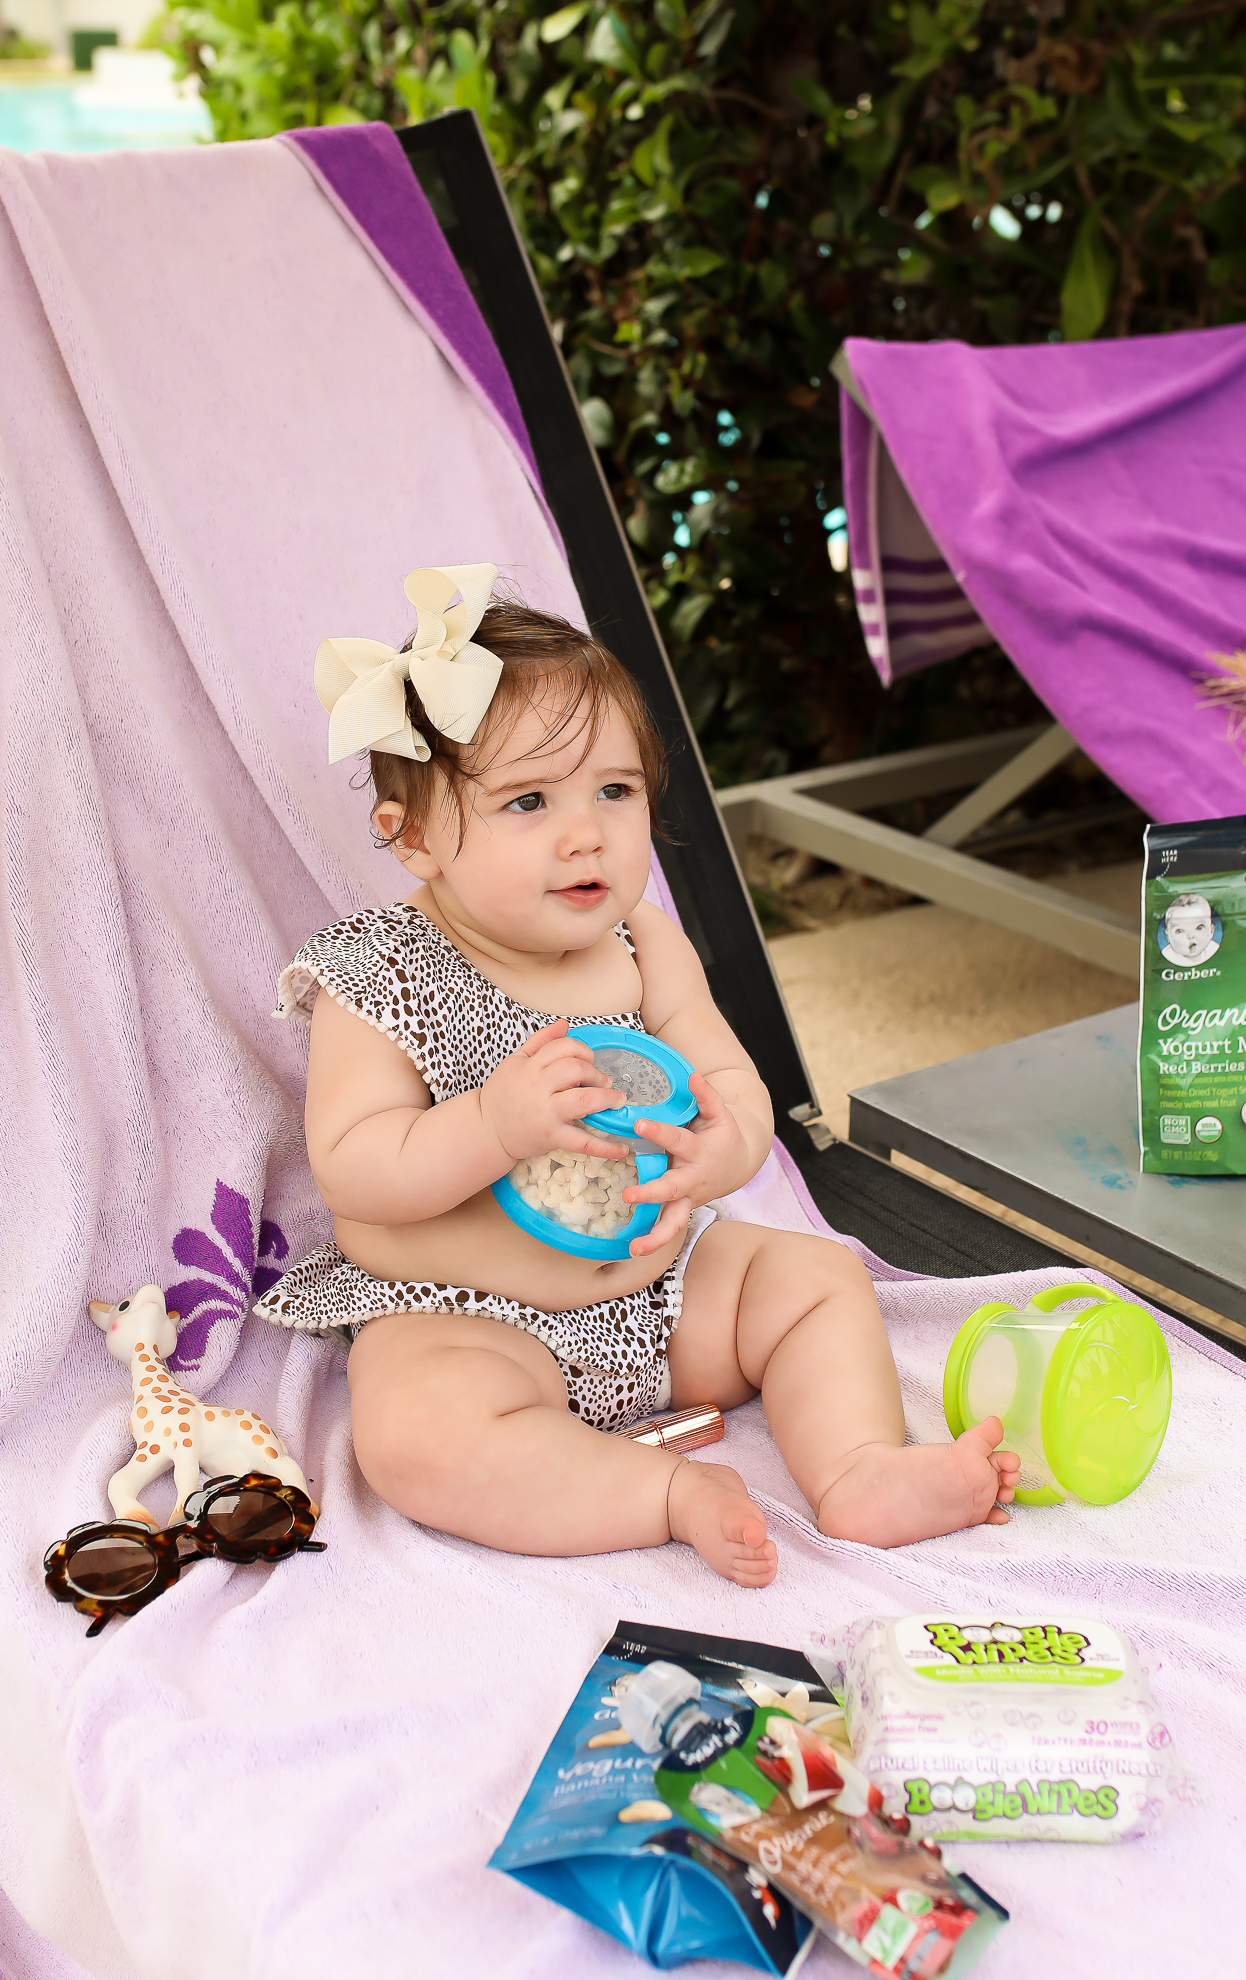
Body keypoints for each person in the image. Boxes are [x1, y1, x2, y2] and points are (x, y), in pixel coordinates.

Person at [254, 566, 1018, 1585]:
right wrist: (493, 1122)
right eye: (529, 800)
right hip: (470, 1316)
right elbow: (354, 1170)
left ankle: (861, 1468)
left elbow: (731, 1083)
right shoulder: (379, 972)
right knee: (412, 1434)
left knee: (816, 1276)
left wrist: (722, 1148)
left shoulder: (642, 941)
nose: (588, 832)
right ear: (417, 838)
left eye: (614, 790)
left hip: (664, 1296)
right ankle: (661, 1492)